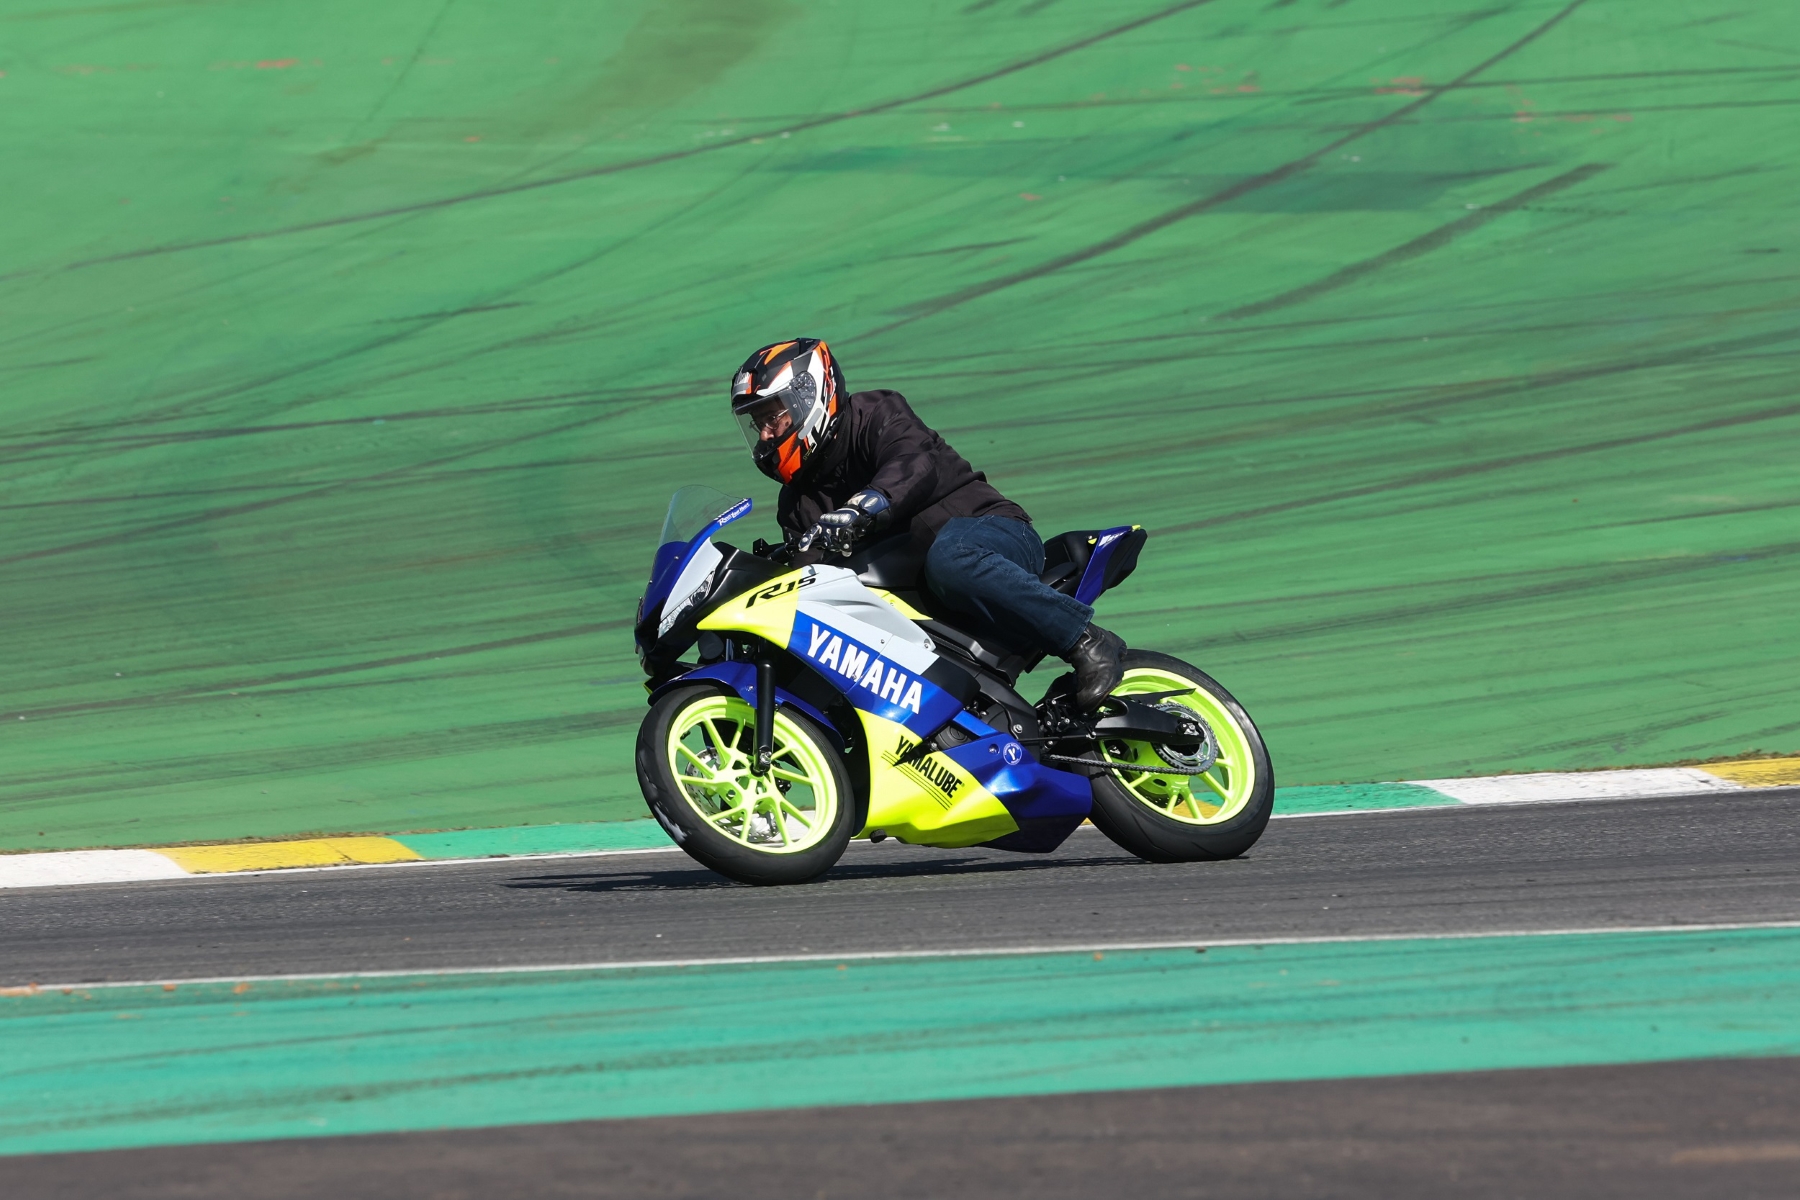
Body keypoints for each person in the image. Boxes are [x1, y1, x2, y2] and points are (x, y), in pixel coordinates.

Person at [729, 337, 1125, 708]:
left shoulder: (875, 413)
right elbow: (810, 581)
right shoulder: (797, 504)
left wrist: (862, 507)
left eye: (772, 417)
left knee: (951, 558)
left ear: (807, 398)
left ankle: (1086, 640)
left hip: (994, 533)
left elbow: (913, 464)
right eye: (757, 424)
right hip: (921, 595)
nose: (764, 435)